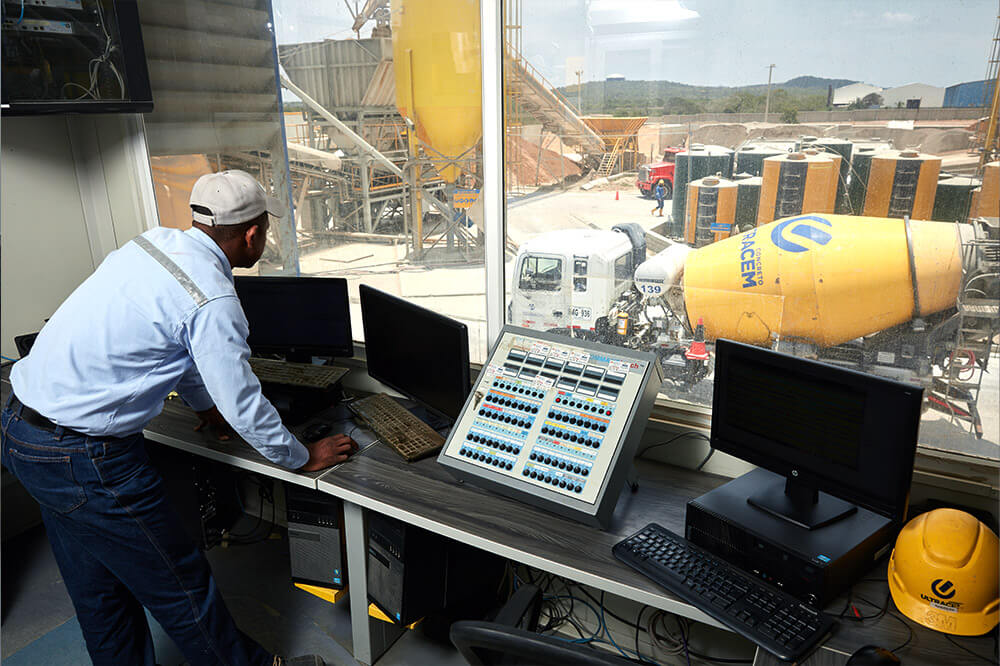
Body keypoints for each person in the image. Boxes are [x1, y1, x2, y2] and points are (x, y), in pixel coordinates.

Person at [1, 170, 355, 666]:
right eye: (265, 230)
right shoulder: (213, 297)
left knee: (99, 589)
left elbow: (178, 348)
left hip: (21, 433)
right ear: (253, 234)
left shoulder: (150, 246)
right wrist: (301, 456)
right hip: (85, 459)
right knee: (182, 586)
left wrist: (203, 406)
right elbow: (244, 404)